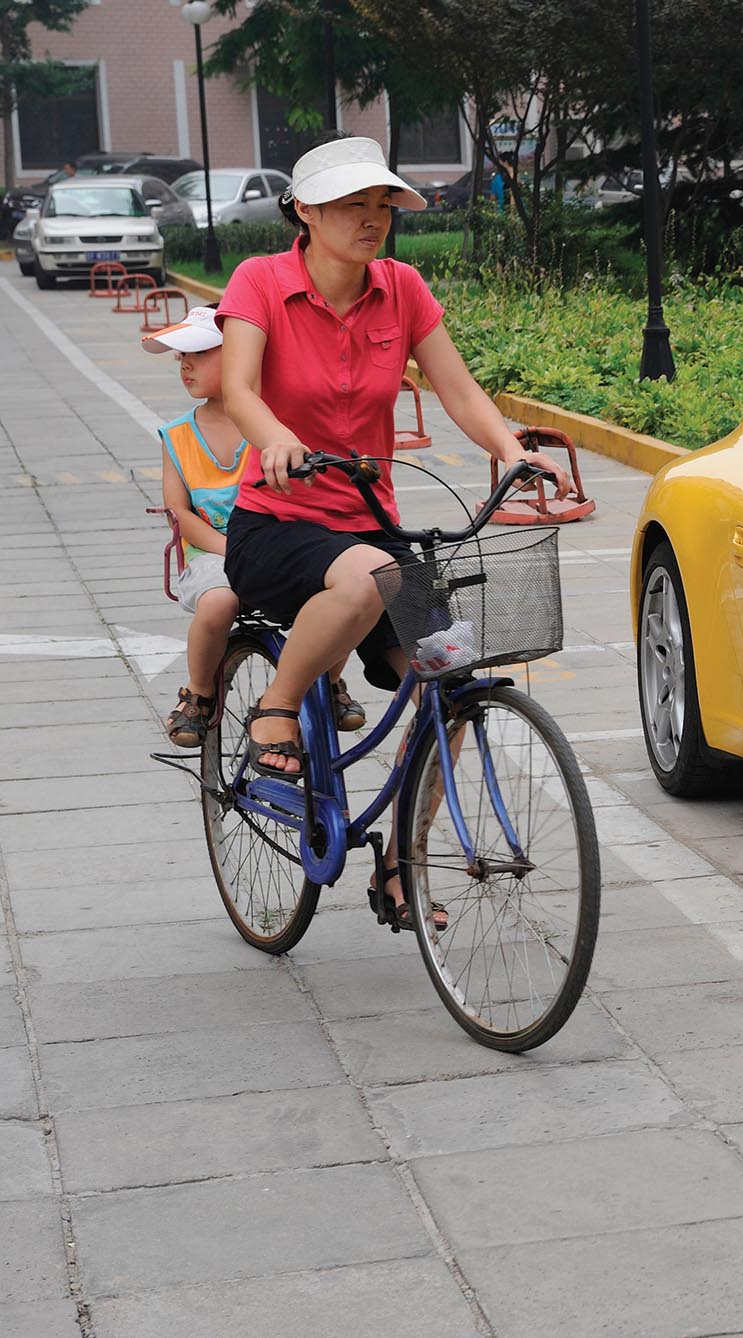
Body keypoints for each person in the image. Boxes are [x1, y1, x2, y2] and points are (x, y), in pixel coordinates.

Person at [216, 134, 569, 929]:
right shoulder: (261, 282)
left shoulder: (402, 288)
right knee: (370, 575)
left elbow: (460, 391)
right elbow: (238, 386)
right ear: (303, 212)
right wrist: (273, 437)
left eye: (382, 205)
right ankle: (277, 709)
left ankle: (403, 860)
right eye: (352, 205)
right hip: (277, 523)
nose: (373, 219)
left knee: (452, 668)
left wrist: (511, 450)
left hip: (370, 526)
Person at [147, 306, 365, 748]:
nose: (184, 364)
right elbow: (180, 513)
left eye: (199, 352)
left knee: (342, 595)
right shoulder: (177, 436)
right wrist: (233, 549)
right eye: (179, 357)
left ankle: (329, 682)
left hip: (273, 545)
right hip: (213, 554)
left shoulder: (275, 428)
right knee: (219, 602)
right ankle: (200, 691)